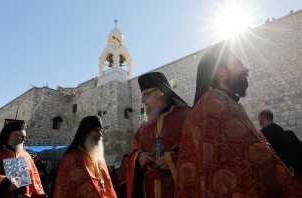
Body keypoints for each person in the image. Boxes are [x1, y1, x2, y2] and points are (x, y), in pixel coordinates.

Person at [176, 42, 302, 197]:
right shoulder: (212, 105)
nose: (246, 69)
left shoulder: (224, 101)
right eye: (238, 64)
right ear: (221, 72)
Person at [126, 72, 190, 198]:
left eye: (146, 95)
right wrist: (139, 158)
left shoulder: (187, 116)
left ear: (161, 92)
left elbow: (198, 148)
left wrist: (174, 158)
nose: (142, 101)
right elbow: (132, 154)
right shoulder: (142, 129)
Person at [0, 121, 46, 198]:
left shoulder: (26, 155)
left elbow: (35, 179)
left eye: (25, 137)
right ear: (8, 135)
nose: (23, 140)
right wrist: (5, 182)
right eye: (20, 136)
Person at [52, 116, 117, 197]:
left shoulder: (100, 160)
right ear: (85, 132)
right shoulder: (70, 159)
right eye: (96, 130)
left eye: (101, 131)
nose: (100, 134)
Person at [259, 109, 302, 183]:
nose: (260, 123)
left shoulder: (262, 135)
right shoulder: (289, 134)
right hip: (296, 172)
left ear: (263, 117)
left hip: (278, 174)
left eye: (260, 120)